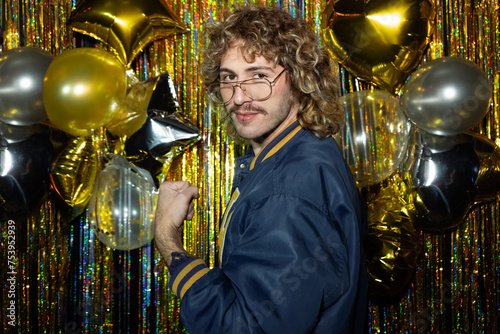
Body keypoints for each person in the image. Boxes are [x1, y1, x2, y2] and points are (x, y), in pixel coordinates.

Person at [154, 4, 368, 333]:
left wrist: (169, 240)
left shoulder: (287, 192)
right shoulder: (303, 151)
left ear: (299, 77)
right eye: (229, 79)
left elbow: (242, 327)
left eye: (259, 76)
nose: (240, 97)